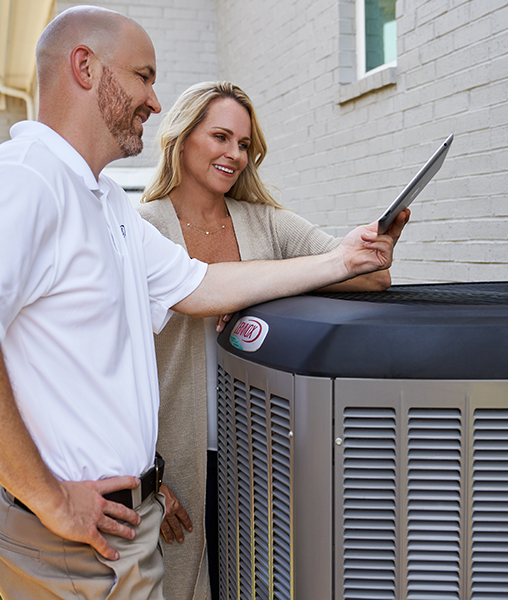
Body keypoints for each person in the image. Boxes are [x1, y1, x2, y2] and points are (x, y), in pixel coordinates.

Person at [0, 8, 407, 600]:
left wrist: (343, 261)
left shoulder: (102, 203)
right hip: (75, 537)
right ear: (86, 67)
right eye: (143, 76)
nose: (153, 98)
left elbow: (200, 286)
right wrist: (50, 497)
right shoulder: (25, 179)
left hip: (117, 529)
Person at [138, 81, 408, 600]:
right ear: (182, 136)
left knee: (254, 580)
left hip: (258, 453)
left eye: (244, 145)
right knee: (178, 586)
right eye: (220, 137)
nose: (234, 155)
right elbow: (113, 363)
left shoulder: (264, 223)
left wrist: (371, 250)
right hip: (173, 457)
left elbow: (368, 276)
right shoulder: (142, 228)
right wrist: (145, 476)